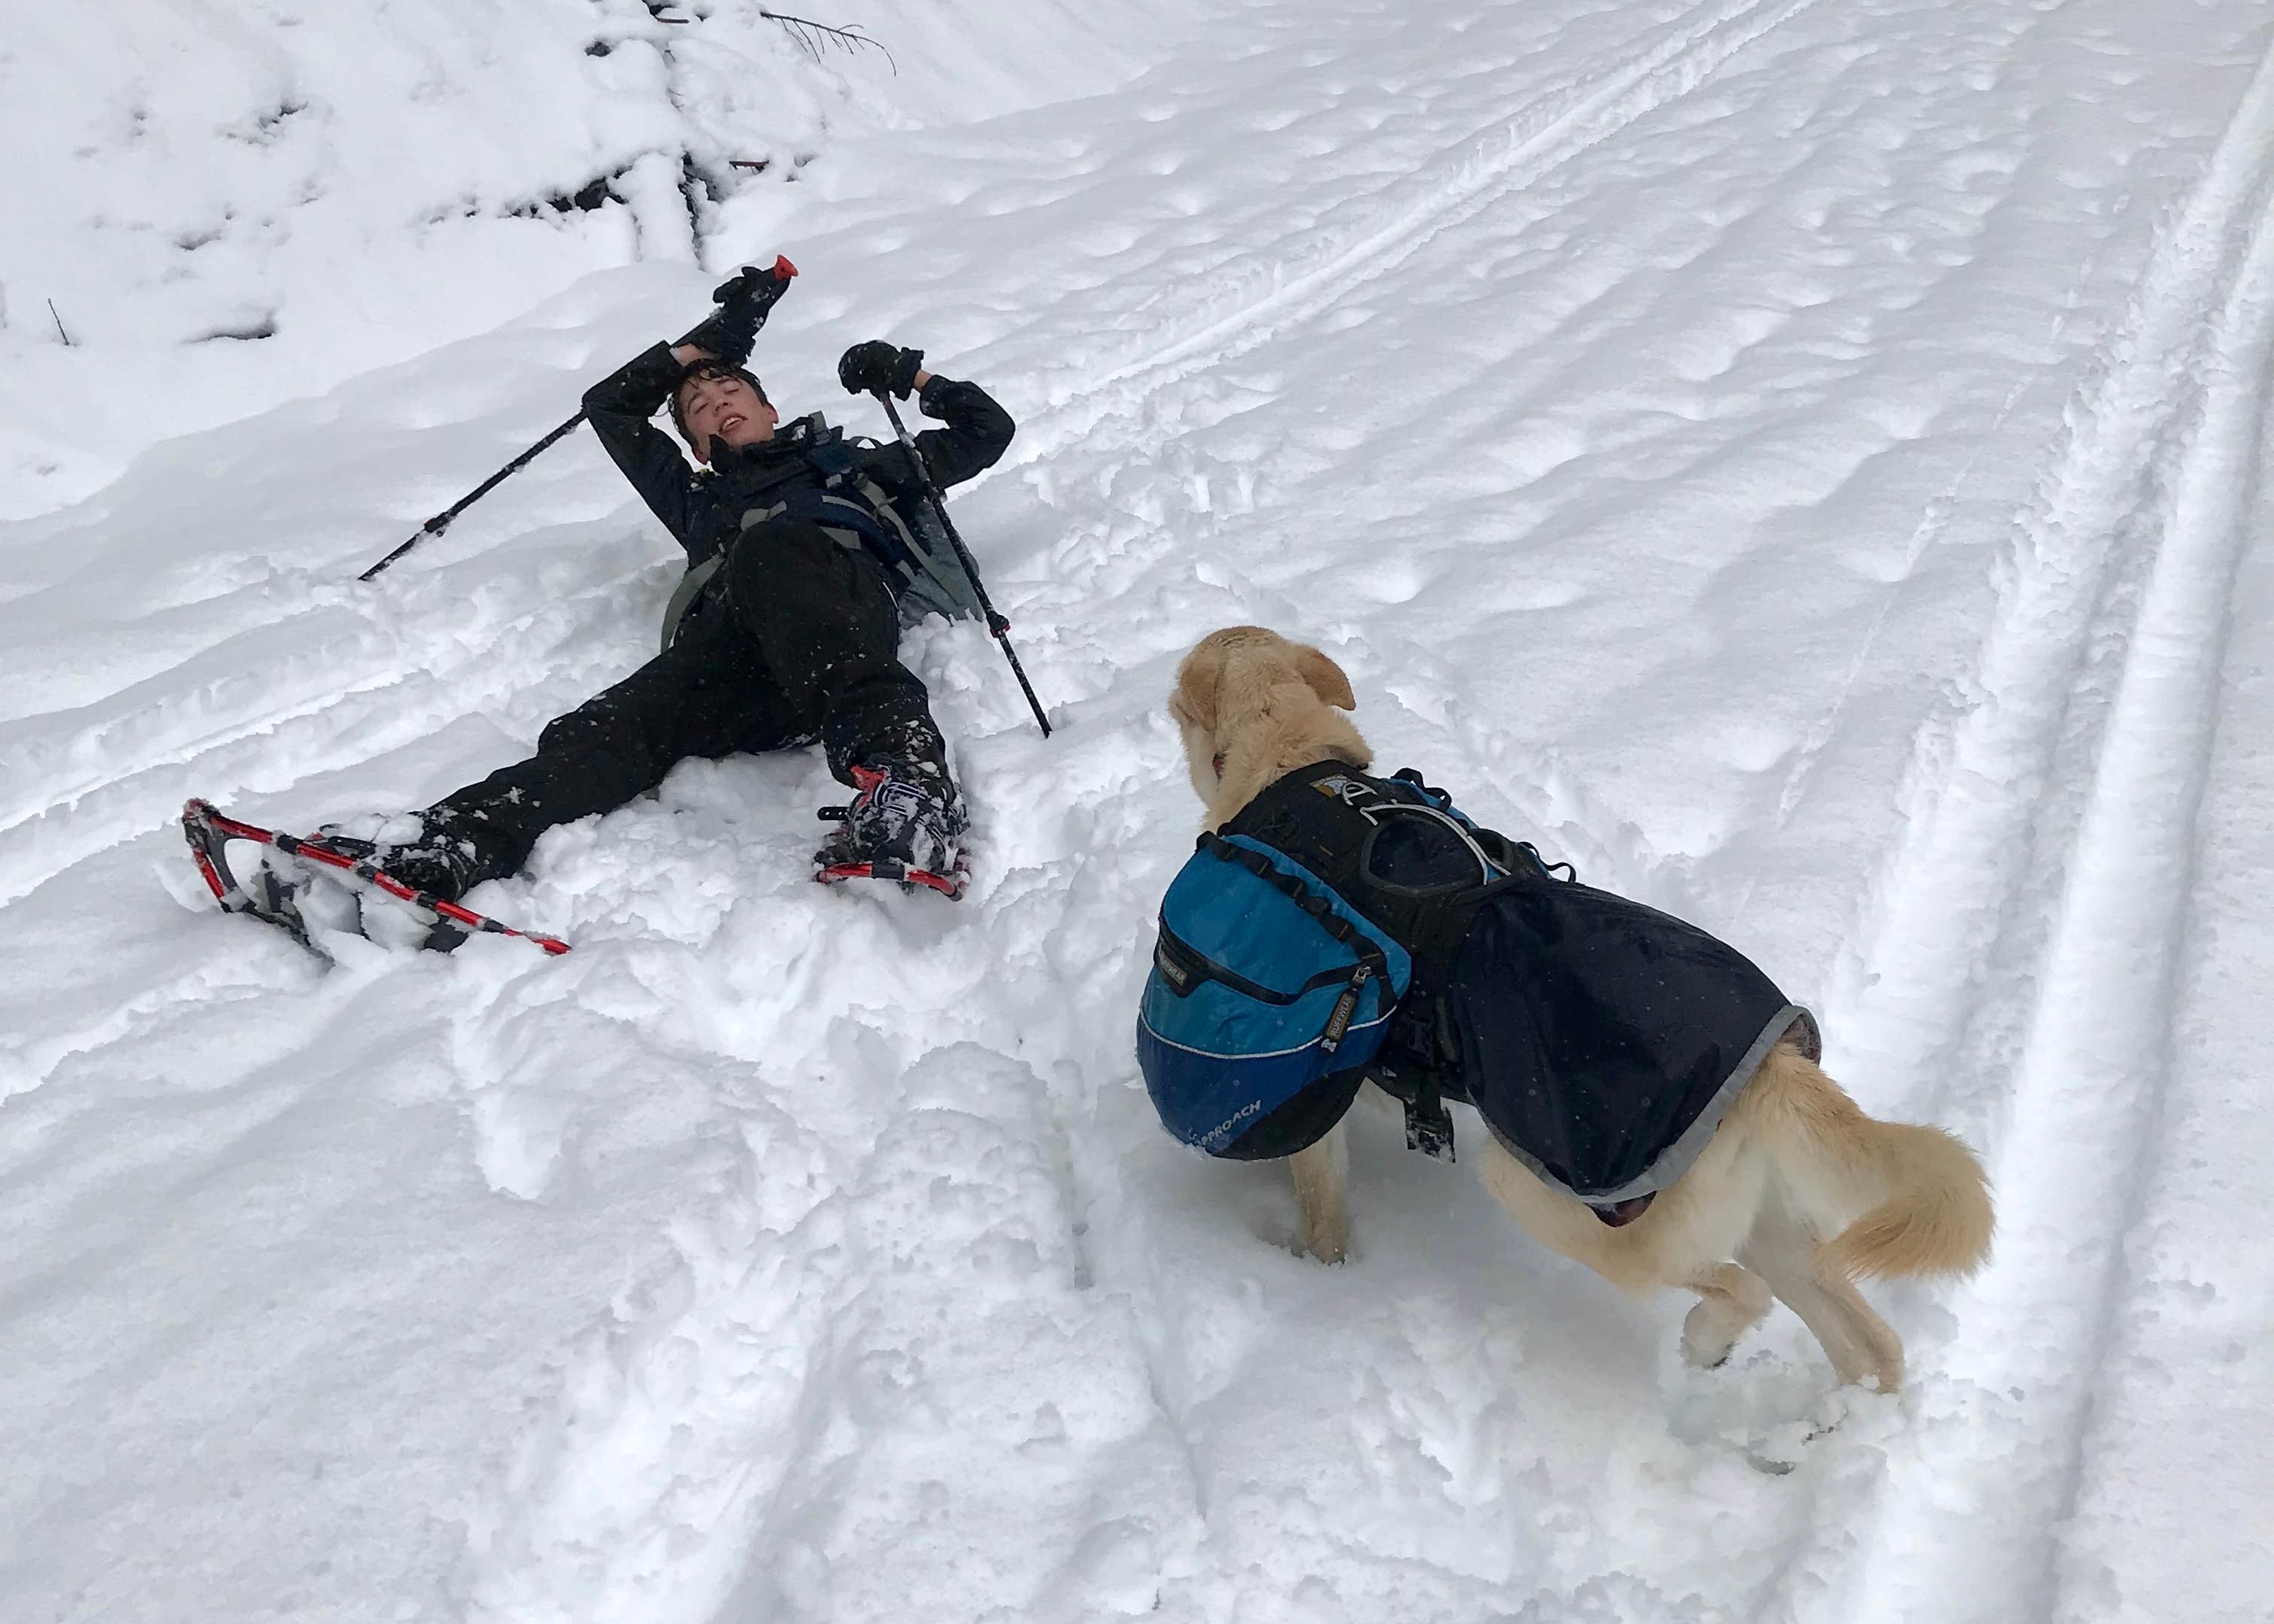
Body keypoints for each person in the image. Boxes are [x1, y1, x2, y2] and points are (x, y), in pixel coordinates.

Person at [273, 279, 1015, 918]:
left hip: (843, 619)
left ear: (767, 408)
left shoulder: (856, 469)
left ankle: (910, 785)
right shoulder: (699, 500)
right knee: (611, 725)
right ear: (695, 445)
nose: (716, 403)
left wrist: (911, 377)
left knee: (772, 546)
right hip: (737, 659)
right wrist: (715, 340)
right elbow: (610, 408)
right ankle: (450, 842)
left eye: (730, 390)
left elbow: (988, 431)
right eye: (697, 405)